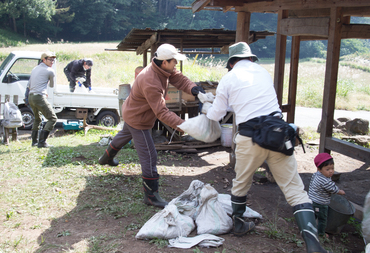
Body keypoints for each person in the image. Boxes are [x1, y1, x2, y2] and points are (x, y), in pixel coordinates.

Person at [205, 42, 331, 253]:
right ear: (250, 58)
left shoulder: (228, 78)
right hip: (277, 134)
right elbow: (253, 100)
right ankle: (313, 245)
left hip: (250, 136)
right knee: (295, 189)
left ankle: (239, 224)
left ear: (231, 63)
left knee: (242, 181)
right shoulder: (263, 72)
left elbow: (216, 115)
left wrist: (207, 106)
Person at [98, 43, 205, 208]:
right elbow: (162, 113)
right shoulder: (151, 80)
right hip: (138, 118)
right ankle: (150, 195)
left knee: (124, 134)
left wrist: (194, 89)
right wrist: (185, 125)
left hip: (132, 111)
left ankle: (106, 157)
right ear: (164, 62)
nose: (176, 64)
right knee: (149, 155)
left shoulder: (161, 68)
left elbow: (178, 77)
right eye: (174, 61)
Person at [309, 153, 346, 238]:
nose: (331, 171)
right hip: (320, 203)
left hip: (312, 199)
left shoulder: (316, 175)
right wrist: (340, 192)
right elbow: (333, 189)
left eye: (332, 168)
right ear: (319, 169)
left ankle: (308, 228)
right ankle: (321, 234)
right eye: (327, 169)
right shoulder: (325, 181)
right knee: (322, 219)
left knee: (312, 215)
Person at [27, 51, 58, 148]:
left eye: (53, 59)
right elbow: (52, 85)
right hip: (39, 97)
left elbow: (29, 85)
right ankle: (42, 142)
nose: (52, 61)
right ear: (43, 60)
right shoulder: (50, 71)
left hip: (31, 96)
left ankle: (34, 142)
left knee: (37, 119)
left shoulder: (35, 68)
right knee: (52, 119)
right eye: (50, 59)